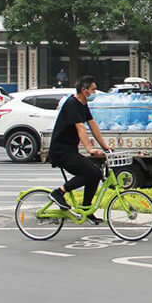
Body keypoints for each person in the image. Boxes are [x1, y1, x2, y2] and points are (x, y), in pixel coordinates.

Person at [47, 75, 112, 225]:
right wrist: (89, 148)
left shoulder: (82, 105)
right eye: (93, 89)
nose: (95, 93)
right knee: (90, 172)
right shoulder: (72, 104)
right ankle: (59, 192)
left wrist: (105, 146)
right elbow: (80, 127)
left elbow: (92, 124)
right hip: (61, 151)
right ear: (84, 90)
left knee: (95, 173)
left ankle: (86, 209)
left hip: (70, 150)